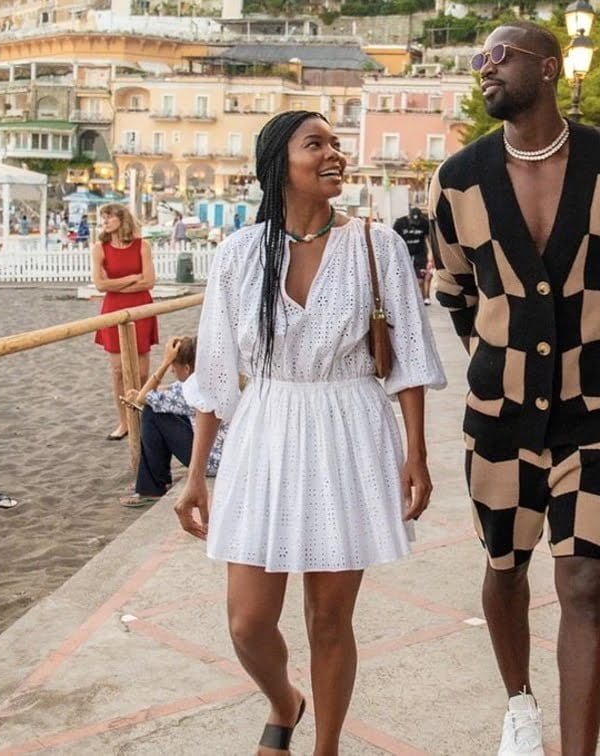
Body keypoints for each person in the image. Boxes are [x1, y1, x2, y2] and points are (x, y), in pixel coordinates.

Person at [429, 21, 600, 756]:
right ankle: (520, 704)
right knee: (505, 566)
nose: (485, 69)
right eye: (479, 59)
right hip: (498, 417)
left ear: (551, 68)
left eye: (500, 56)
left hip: (598, 415)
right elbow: (455, 290)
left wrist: (594, 352)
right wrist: (501, 359)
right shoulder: (458, 179)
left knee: (585, 584)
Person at [174, 110, 445, 754]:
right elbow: (216, 374)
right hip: (266, 430)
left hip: (349, 430)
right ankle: (283, 701)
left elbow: (408, 359)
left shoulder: (377, 246)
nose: (333, 155)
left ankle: (326, 747)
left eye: (335, 144)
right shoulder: (240, 254)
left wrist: (416, 454)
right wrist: (196, 475)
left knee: (329, 619)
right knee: (247, 622)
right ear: (279, 164)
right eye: (315, 144)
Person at [118, 336, 225, 507]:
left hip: (209, 461)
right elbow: (165, 390)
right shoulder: (209, 378)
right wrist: (142, 392)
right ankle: (153, 479)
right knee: (160, 407)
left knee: (152, 412)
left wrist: (165, 362)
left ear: (187, 368)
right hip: (223, 455)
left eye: (173, 368)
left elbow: (143, 398)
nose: (171, 371)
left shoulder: (187, 393)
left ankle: (151, 489)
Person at [91, 203, 158, 441]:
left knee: (142, 372)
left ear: (122, 219)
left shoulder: (142, 246)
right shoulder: (100, 248)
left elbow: (149, 281)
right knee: (118, 371)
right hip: (113, 309)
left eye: (109, 217)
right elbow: (100, 284)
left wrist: (116, 284)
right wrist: (131, 278)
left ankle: (144, 420)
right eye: (103, 218)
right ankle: (124, 422)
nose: (105, 222)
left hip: (141, 307)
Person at [393, 206, 433, 305]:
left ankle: (420, 300)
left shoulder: (424, 223)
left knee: (420, 280)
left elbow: (428, 238)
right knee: (404, 277)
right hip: (404, 253)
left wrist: (430, 253)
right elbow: (393, 239)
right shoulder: (400, 223)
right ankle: (406, 299)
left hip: (419, 253)